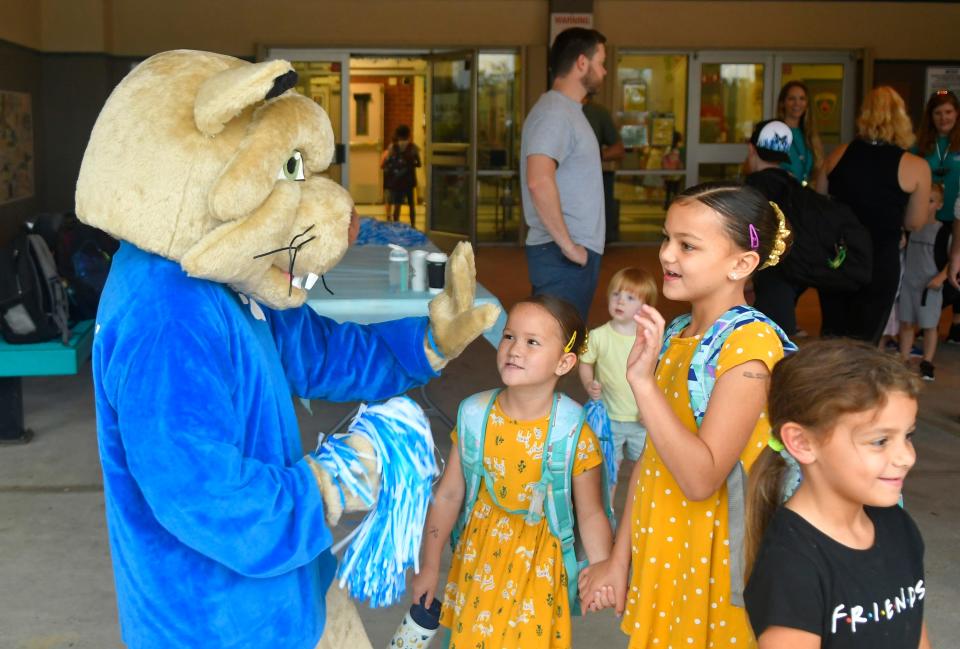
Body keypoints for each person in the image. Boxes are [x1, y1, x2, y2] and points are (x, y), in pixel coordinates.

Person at [578, 182, 795, 648]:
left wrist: (641, 383)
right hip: (667, 547)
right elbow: (655, 456)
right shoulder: (677, 331)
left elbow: (701, 478)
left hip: (713, 559)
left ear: (743, 264)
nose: (666, 256)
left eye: (687, 245)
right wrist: (619, 558)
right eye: (666, 238)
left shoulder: (750, 347)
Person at [410, 295, 613, 648]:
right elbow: (449, 493)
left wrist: (602, 570)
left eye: (532, 342)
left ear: (564, 362)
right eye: (508, 336)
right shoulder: (474, 415)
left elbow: (592, 512)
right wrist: (429, 566)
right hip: (477, 563)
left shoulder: (572, 431)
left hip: (540, 573)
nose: (514, 349)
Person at [743, 340, 931, 649]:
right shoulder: (791, 567)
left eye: (907, 436)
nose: (906, 457)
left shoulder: (898, 525)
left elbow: (916, 635)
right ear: (801, 443)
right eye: (881, 441)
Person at [817, 86, 931, 345]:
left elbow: (821, 202)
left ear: (863, 115)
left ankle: (828, 385)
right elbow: (915, 222)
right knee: (865, 342)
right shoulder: (915, 167)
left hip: (839, 259)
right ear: (902, 119)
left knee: (833, 337)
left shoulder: (837, 155)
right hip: (879, 261)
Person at [522, 27, 608, 322]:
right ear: (582, 63)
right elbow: (538, 180)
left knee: (560, 346)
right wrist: (569, 247)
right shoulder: (555, 113)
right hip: (562, 255)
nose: (605, 71)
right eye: (601, 62)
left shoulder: (567, 112)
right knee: (555, 348)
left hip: (567, 253)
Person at [579, 267, 658, 484]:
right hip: (608, 417)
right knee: (609, 470)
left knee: (643, 468)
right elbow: (585, 363)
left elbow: (656, 374)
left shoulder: (648, 339)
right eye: (616, 294)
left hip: (640, 419)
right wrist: (588, 383)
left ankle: (636, 509)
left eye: (630, 298)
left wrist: (650, 407)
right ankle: (609, 511)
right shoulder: (597, 336)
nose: (620, 302)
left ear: (645, 308)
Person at [744, 119, 806, 335]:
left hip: (763, 272)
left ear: (752, 149)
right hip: (789, 269)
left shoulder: (751, 188)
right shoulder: (792, 185)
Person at [915, 90, 960, 343]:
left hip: (957, 218)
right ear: (930, 117)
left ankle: (956, 323)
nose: (943, 118)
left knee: (956, 267)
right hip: (929, 219)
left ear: (957, 114)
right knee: (929, 270)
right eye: (938, 113)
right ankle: (926, 322)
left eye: (949, 112)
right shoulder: (921, 146)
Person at [899, 183, 946, 381]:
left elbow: (953, 259)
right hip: (909, 282)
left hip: (929, 286)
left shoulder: (943, 230)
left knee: (929, 326)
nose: (925, 204)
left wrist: (941, 277)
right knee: (907, 323)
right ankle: (904, 358)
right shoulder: (912, 227)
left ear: (940, 205)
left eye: (931, 200)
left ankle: (927, 362)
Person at [583, 93, 625, 244]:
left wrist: (590, 156)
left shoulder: (597, 112)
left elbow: (618, 149)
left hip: (590, 185)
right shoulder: (555, 109)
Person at [776, 81, 824, 185]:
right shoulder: (775, 132)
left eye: (802, 99)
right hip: (781, 194)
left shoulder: (811, 135)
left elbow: (818, 170)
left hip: (805, 195)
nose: (797, 103)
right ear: (782, 103)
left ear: (807, 104)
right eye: (791, 98)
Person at [380, 124, 422, 227]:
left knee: (397, 205)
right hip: (409, 180)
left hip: (397, 181)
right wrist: (410, 164)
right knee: (411, 205)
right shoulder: (413, 147)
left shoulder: (392, 147)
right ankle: (413, 225)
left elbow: (387, 161)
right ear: (409, 134)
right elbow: (419, 164)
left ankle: (396, 225)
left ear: (397, 135)